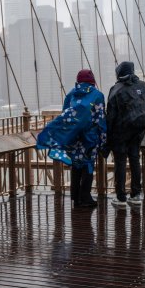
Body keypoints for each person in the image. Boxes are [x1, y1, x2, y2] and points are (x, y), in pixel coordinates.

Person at [36, 69, 107, 208]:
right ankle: (85, 197)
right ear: (92, 81)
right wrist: (103, 140)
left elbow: (66, 116)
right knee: (88, 166)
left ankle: (75, 197)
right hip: (89, 139)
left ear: (78, 81)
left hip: (73, 138)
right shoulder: (98, 95)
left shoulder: (70, 94)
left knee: (75, 165)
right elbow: (100, 119)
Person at [105, 61, 145, 207]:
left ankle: (120, 198)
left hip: (120, 133)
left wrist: (108, 136)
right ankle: (136, 195)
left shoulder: (116, 89)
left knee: (120, 163)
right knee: (134, 160)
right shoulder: (143, 86)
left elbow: (111, 116)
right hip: (138, 131)